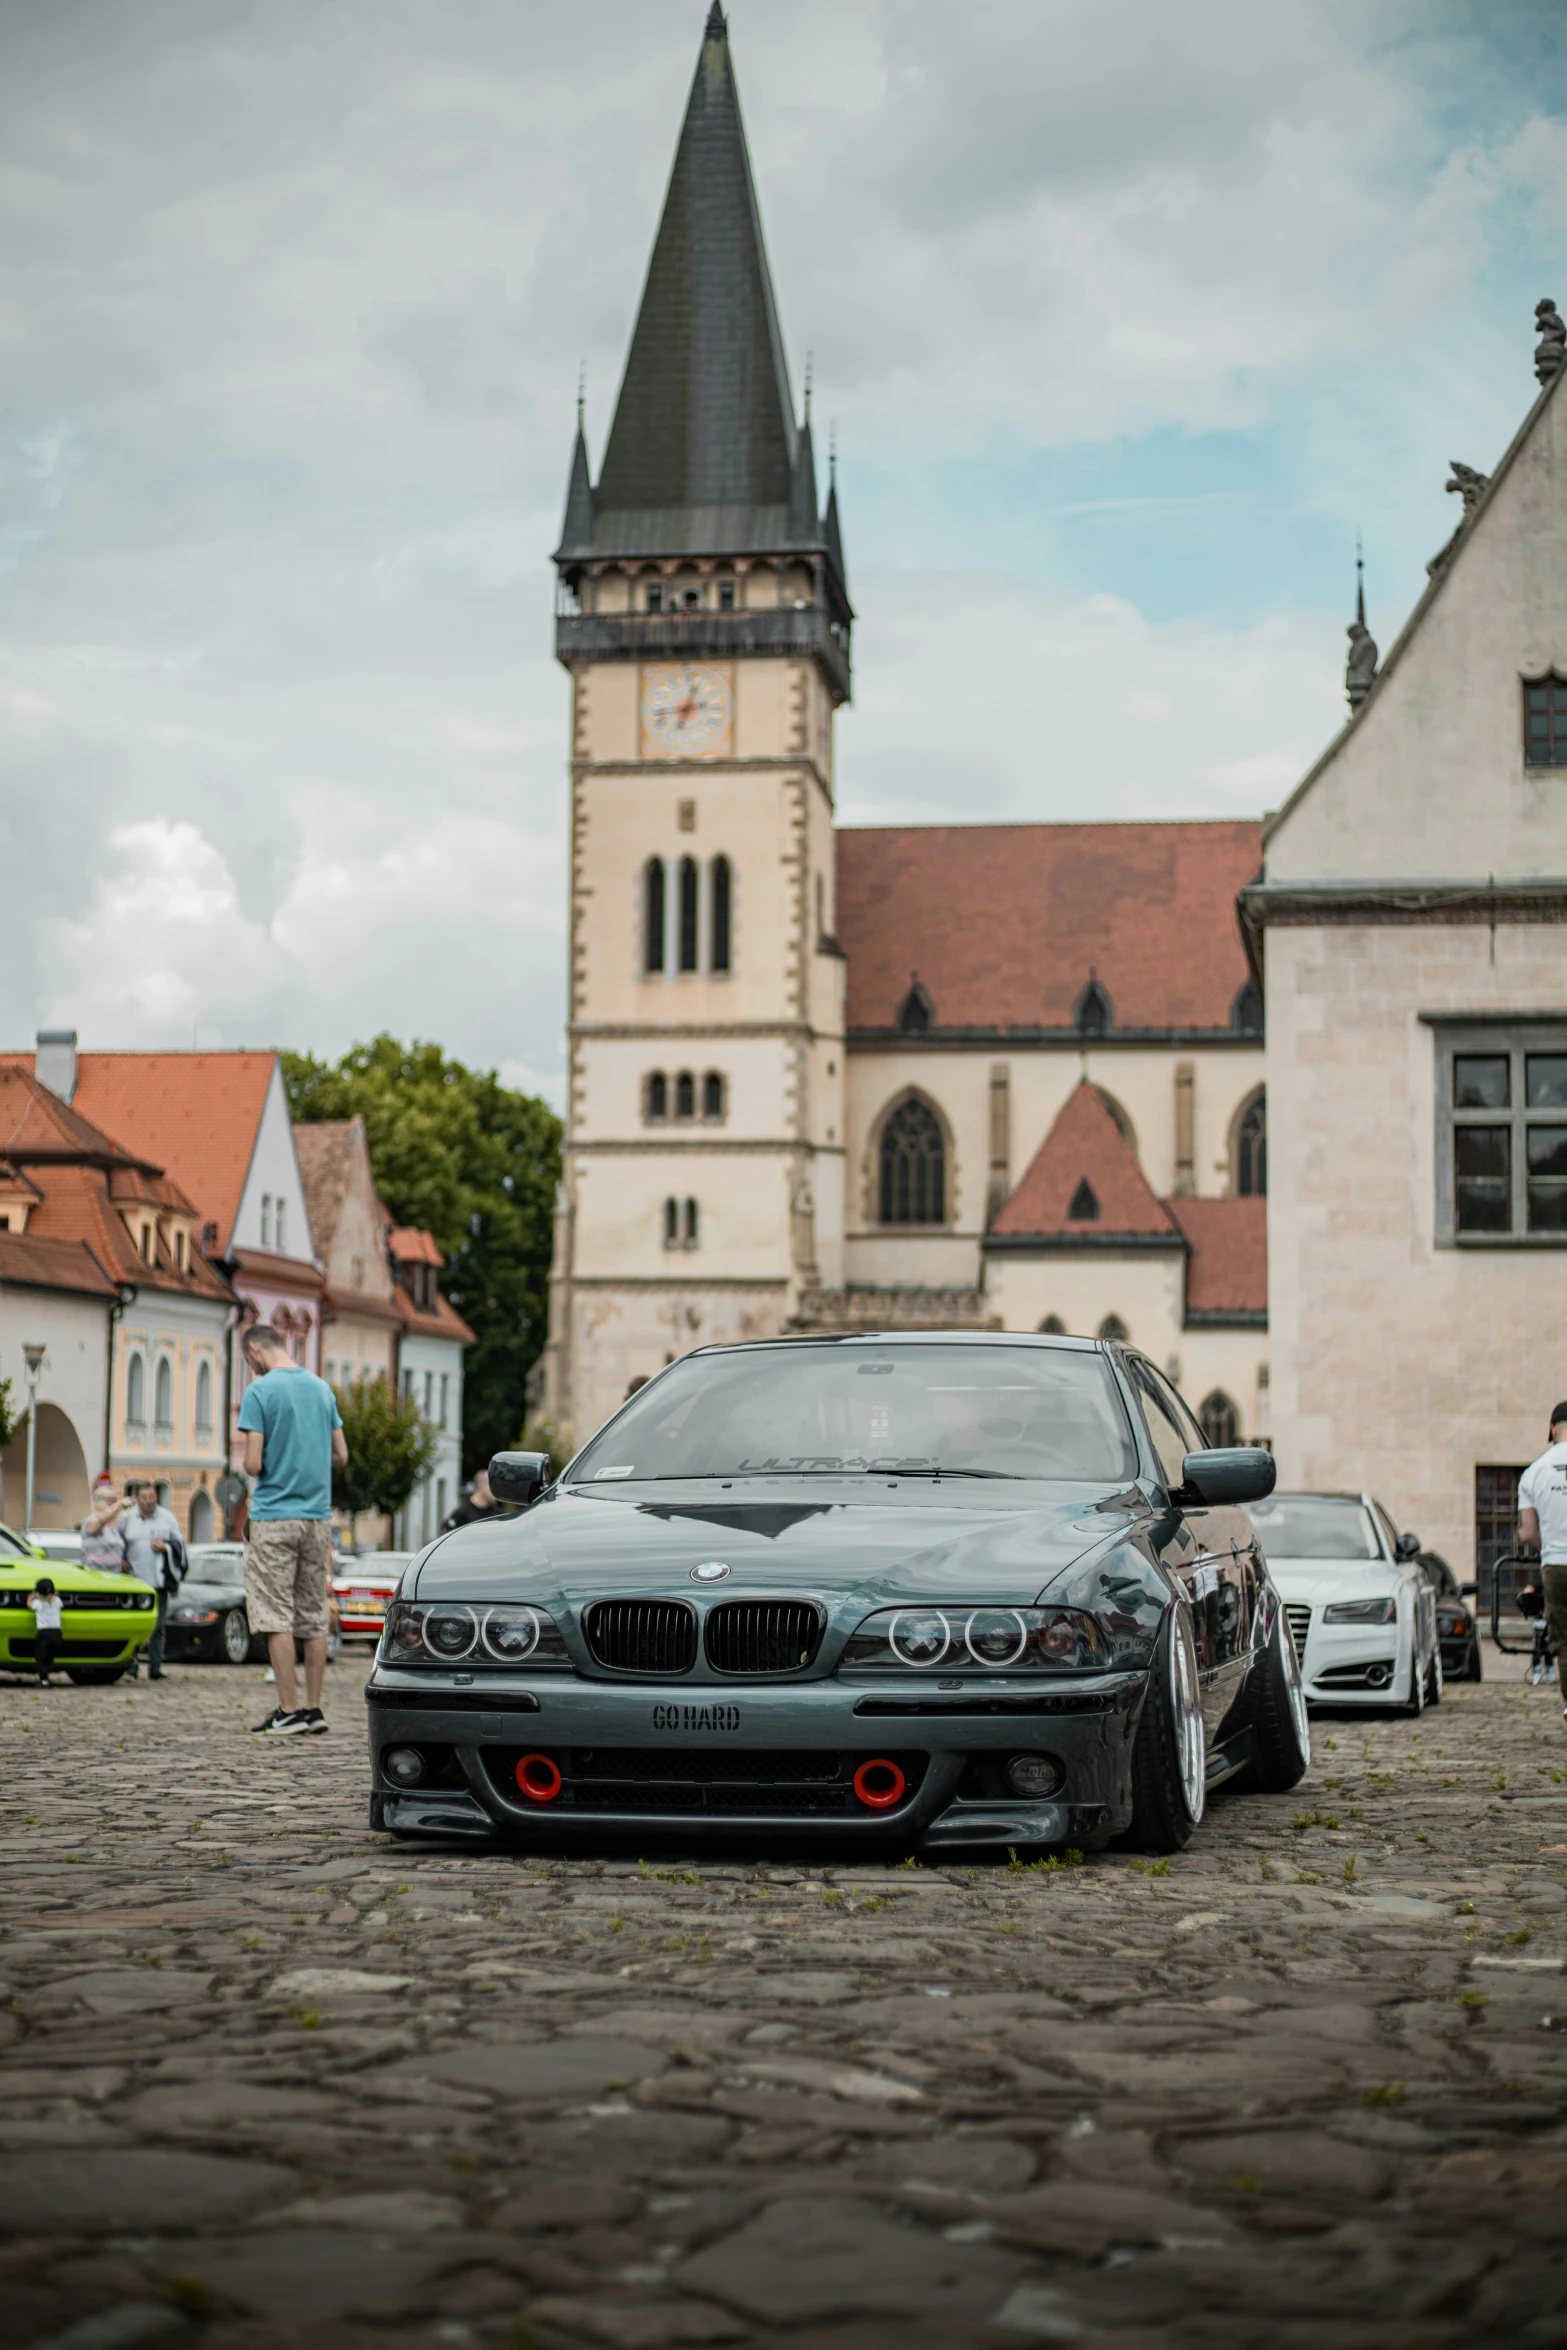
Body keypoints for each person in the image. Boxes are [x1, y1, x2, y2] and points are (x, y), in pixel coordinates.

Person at [238, 1324, 347, 1738]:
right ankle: (314, 1708)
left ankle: (288, 1709)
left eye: (249, 1362)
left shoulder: (260, 1392)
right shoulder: (321, 1389)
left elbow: (252, 1464)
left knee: (274, 1613)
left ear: (254, 1349)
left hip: (274, 1516)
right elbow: (342, 1455)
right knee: (313, 1612)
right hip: (318, 1518)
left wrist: (274, 1457)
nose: (251, 1368)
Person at [1519, 1403, 1567, 1716]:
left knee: (1562, 1639)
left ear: (1552, 1429)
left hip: (1557, 1563)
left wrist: (1546, 1544)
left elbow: (1527, 1533)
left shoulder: (1535, 1471)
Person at [119, 1480, 184, 1680]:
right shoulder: (126, 1518)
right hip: (134, 1581)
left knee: (158, 1626)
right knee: (134, 1626)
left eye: (152, 1497)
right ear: (137, 1499)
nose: (149, 1502)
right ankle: (131, 1666)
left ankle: (155, 1668)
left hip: (158, 1581)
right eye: (144, 1498)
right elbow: (116, 1542)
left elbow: (179, 1545)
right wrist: (121, 1560)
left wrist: (166, 1548)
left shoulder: (168, 1518)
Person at [80, 1478, 129, 1576]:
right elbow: (99, 1523)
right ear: (96, 1502)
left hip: (115, 1575)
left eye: (114, 1500)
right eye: (108, 1500)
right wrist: (119, 1504)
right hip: (95, 1576)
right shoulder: (91, 1520)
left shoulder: (115, 1526)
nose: (111, 1503)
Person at [441, 1468, 513, 1533]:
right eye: (493, 1486)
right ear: (481, 1487)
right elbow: (446, 1534)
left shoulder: (499, 1515)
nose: (497, 1491)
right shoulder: (462, 1514)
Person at [28, 1576, 63, 1687]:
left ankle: (44, 1681)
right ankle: (47, 1675)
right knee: (49, 1657)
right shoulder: (57, 1601)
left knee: (40, 1658)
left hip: (44, 1633)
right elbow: (55, 1600)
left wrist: (30, 1597)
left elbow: (30, 1606)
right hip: (57, 1633)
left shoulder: (38, 1603)